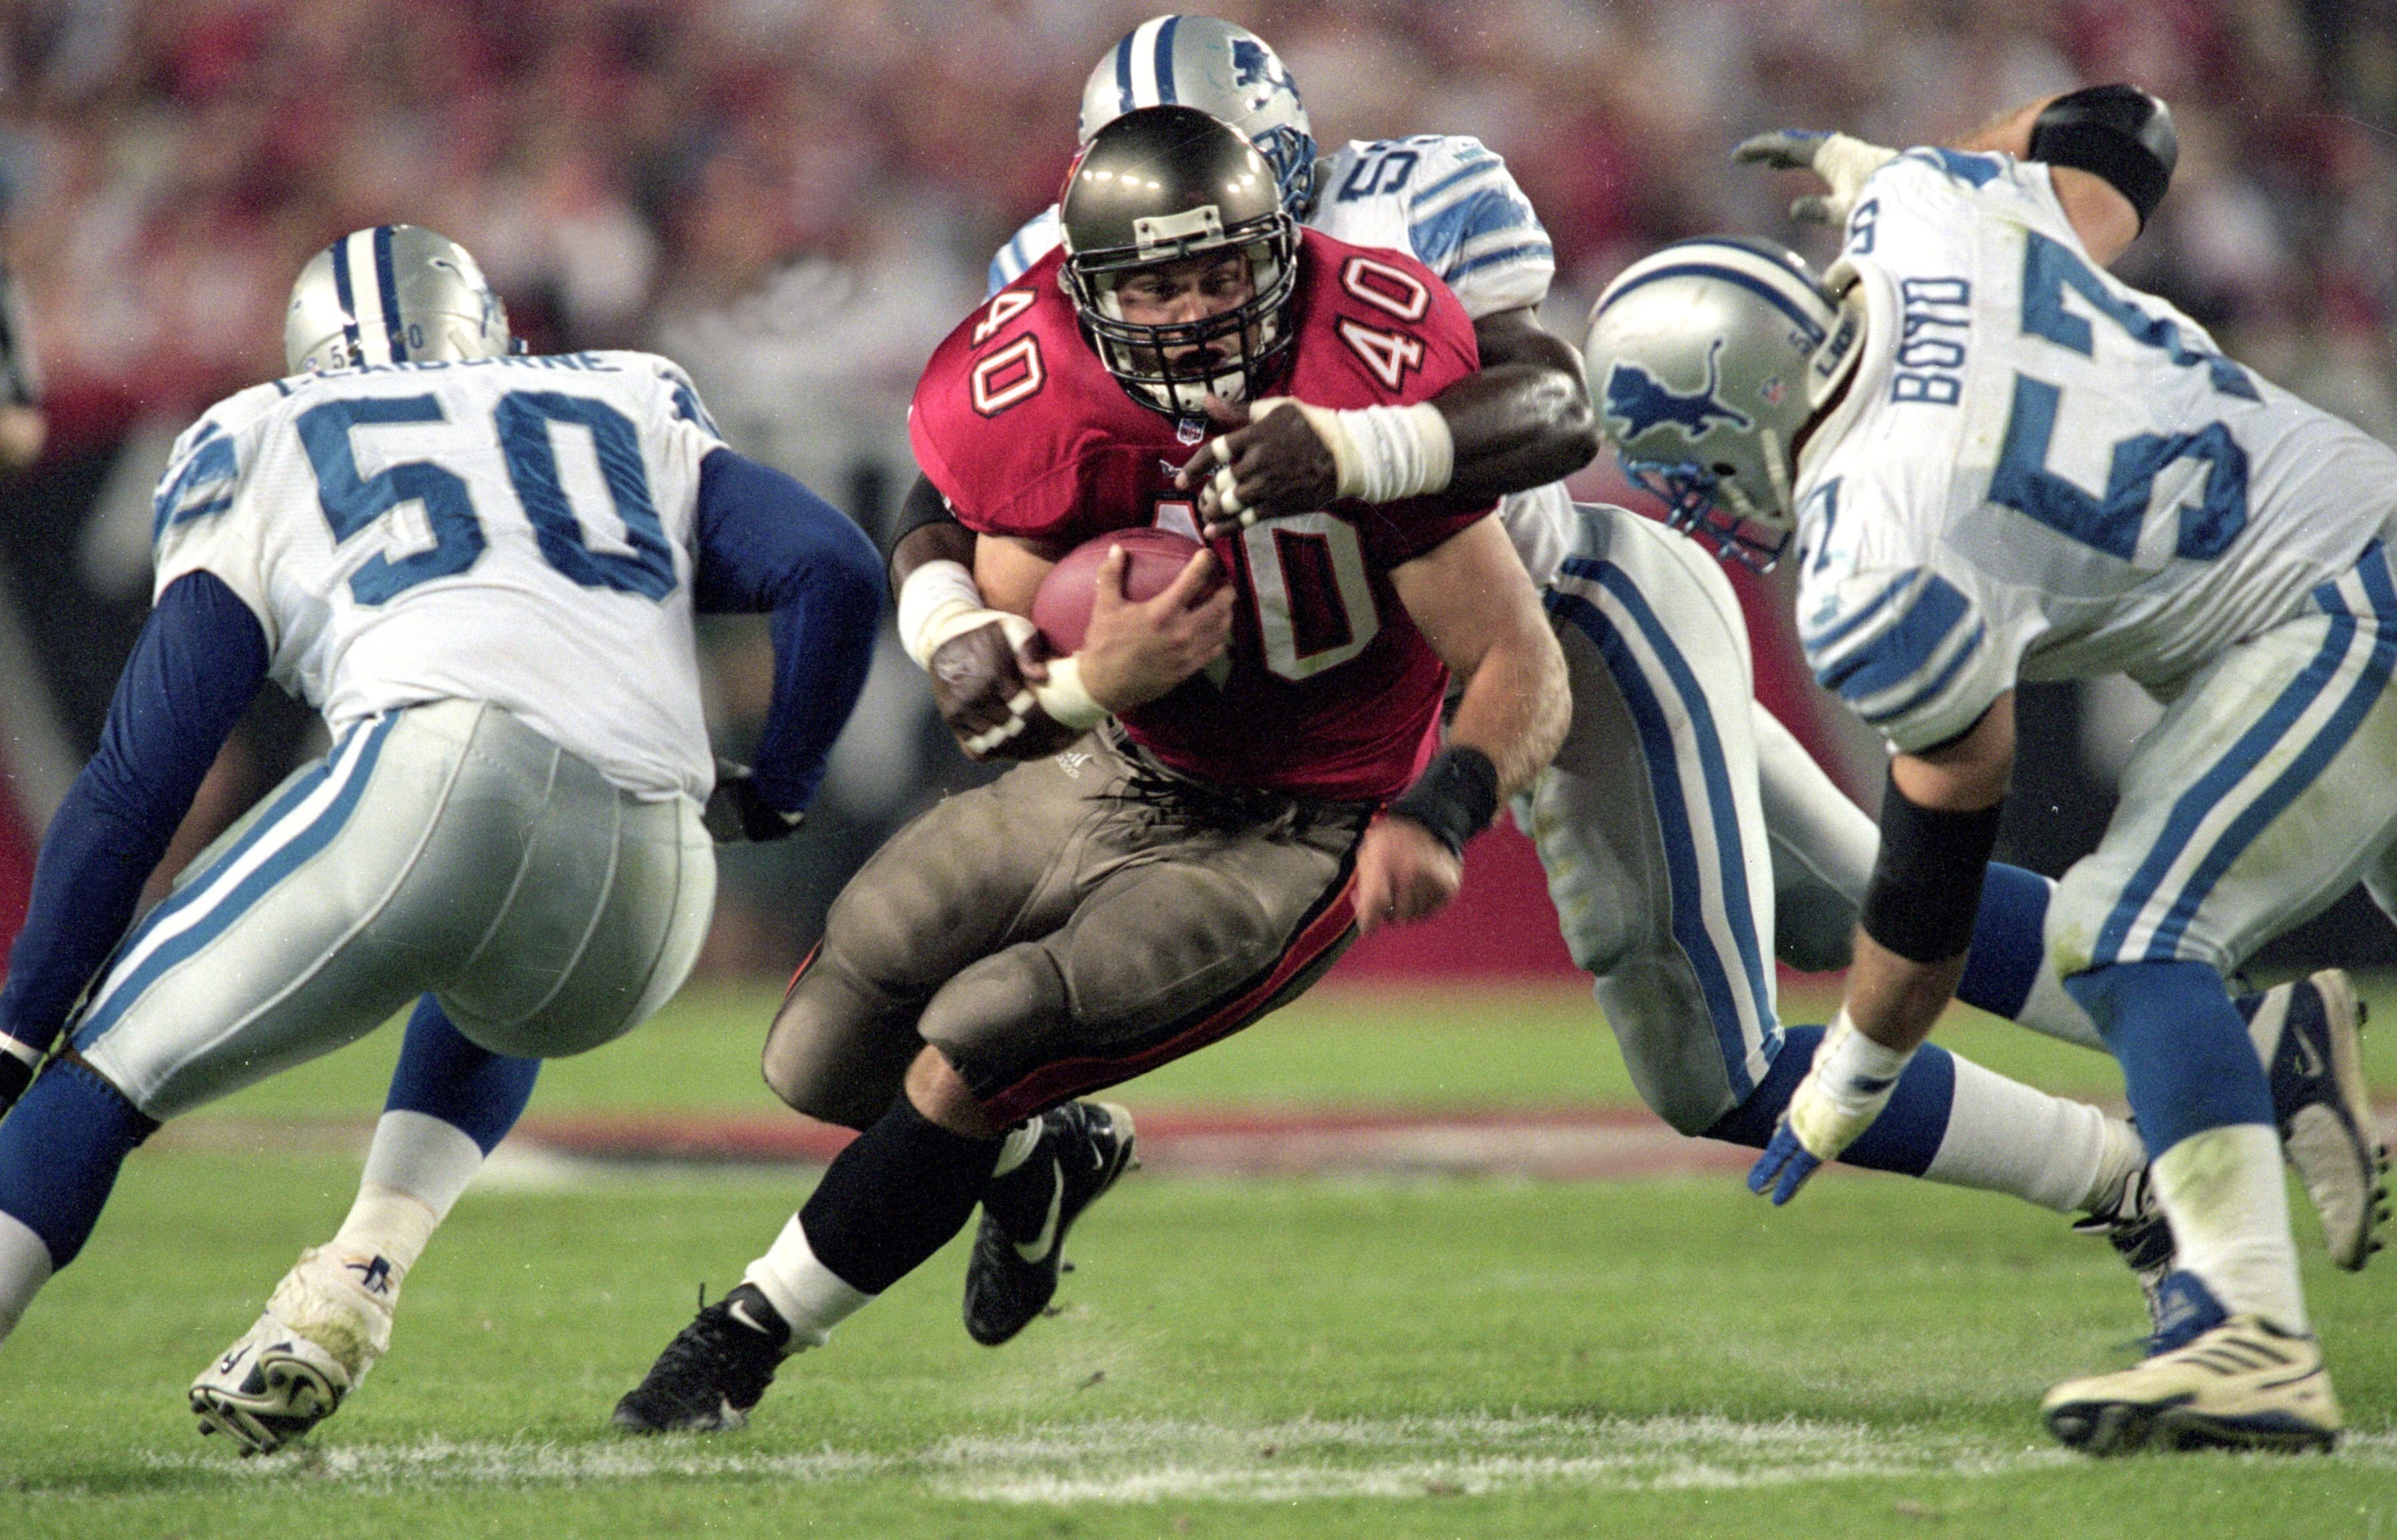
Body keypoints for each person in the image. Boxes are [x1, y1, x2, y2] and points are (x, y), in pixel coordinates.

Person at [893, 17, 2372, 1337]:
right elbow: (957, 492)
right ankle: (2247, 1049)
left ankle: (2130, 1179)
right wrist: (955, 618)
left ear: (1280, 168)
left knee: (1715, 1067)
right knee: (1864, 893)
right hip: (1391, 682)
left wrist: (1352, 450)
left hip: (1573, 623)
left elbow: (1552, 409)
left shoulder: (1407, 209)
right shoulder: (1061, 276)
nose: (1177, 247)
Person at [608, 105, 1571, 1434]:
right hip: (1121, 765)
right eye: (1157, 286)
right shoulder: (1030, 376)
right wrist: (1085, 681)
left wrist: (1442, 808)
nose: (1194, 315)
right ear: (1084, 289)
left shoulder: (1370, 349)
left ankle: (737, 1343)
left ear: (1282, 254)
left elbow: (1522, 657)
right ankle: (1040, 1155)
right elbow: (1003, 716)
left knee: (984, 1036)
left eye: (1222, 274)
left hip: (1306, 819)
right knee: (822, 1052)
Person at [1585, 86, 2392, 1454]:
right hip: (2342, 537)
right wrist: (1892, 163)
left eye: (1687, 465)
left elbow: (1933, 885)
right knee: (2133, 928)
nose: (1702, 497)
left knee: (2129, 934)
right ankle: (2265, 1070)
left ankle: (2248, 1331)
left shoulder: (1873, 548)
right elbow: (2123, 130)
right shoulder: (1924, 216)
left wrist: (1851, 1074)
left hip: (2342, 605)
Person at [0, 225, 885, 1454]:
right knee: (491, 979)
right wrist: (778, 792)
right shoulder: (623, 394)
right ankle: (357, 1273)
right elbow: (837, 569)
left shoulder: (261, 430)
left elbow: (137, 781)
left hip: (438, 782)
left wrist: (19, 1024)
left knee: (100, 1071)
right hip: (652, 900)